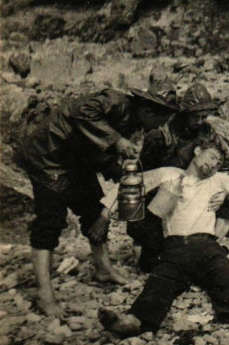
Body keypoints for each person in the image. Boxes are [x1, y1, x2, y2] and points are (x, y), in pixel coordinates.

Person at [15, 83, 179, 317]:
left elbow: (94, 147)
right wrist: (117, 141)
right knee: (50, 219)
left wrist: (117, 168)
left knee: (94, 210)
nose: (160, 127)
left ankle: (102, 269)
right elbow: (82, 113)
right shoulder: (116, 101)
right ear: (149, 111)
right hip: (48, 157)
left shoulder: (133, 122)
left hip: (75, 161)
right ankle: (44, 293)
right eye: (161, 121)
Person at [97, 142, 229, 336]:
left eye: (218, 163)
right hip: (175, 245)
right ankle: (134, 321)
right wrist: (105, 216)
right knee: (162, 281)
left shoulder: (219, 180)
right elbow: (129, 183)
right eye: (212, 157)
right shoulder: (170, 174)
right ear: (198, 150)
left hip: (207, 244)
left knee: (223, 274)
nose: (214, 165)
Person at [129, 82, 229, 272]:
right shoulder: (161, 134)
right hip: (165, 192)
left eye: (205, 116)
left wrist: (222, 192)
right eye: (197, 116)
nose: (202, 121)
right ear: (184, 114)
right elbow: (143, 176)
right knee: (154, 262)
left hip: (198, 189)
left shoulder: (207, 131)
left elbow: (225, 163)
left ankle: (211, 244)